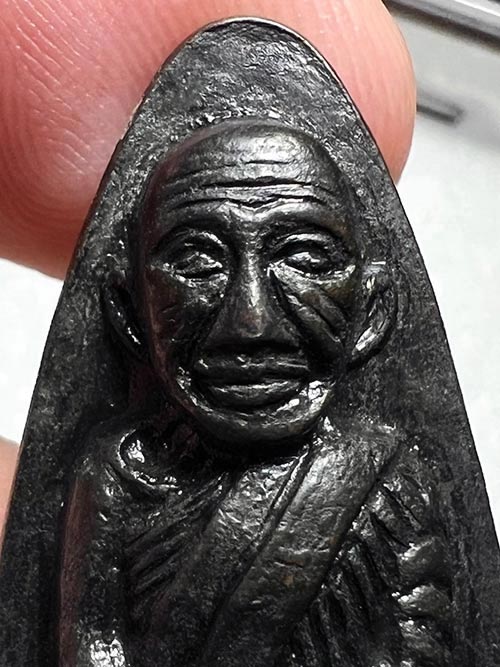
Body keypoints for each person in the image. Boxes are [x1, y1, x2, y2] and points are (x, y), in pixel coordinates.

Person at [0, 0, 416, 532]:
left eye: (305, 258)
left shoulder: (389, 494)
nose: (251, 326)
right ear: (128, 312)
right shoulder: (118, 482)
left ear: (373, 313)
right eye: (198, 261)